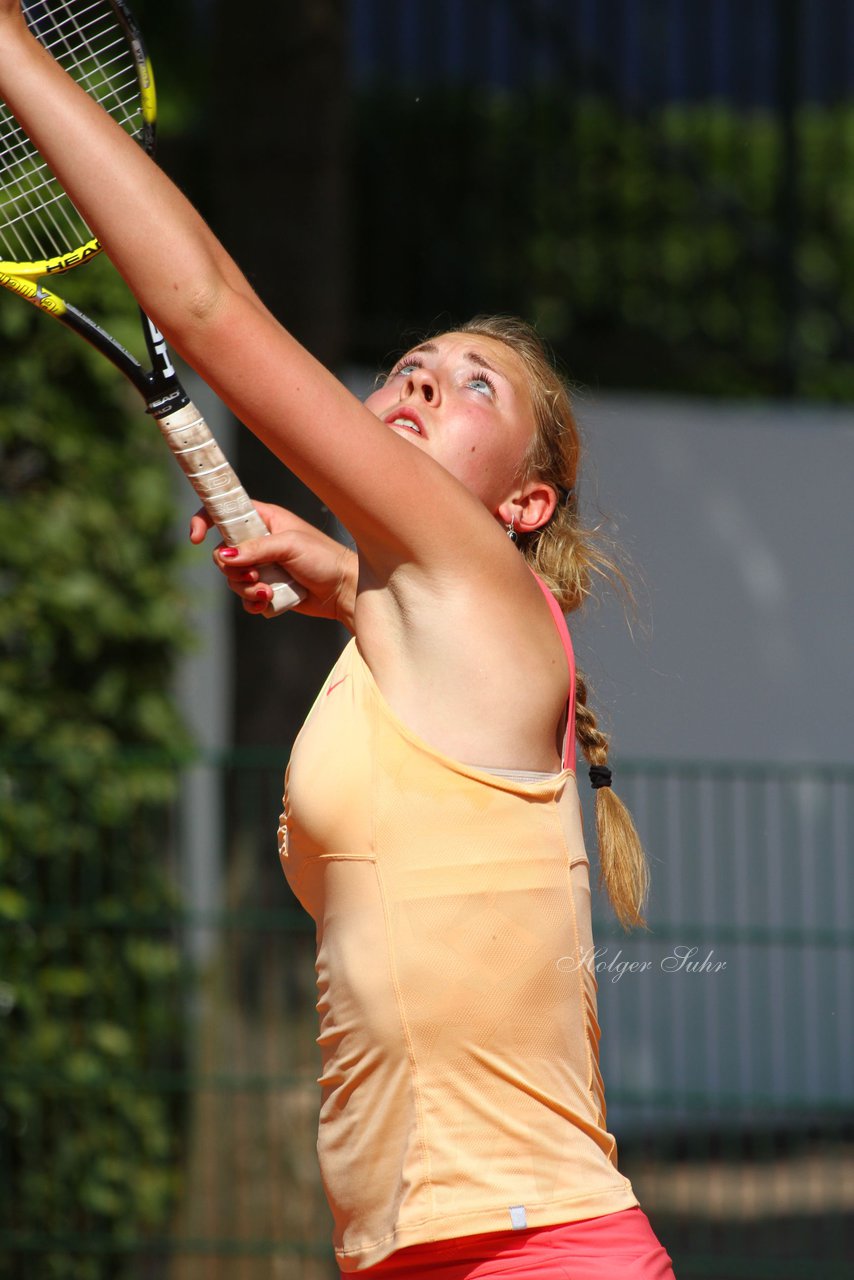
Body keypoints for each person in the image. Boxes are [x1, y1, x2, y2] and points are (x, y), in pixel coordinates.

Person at [0, 7, 674, 1276]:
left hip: (542, 1248)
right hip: (399, 1249)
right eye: (410, 366)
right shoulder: (410, 630)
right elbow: (395, 619)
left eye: (473, 385)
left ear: (521, 506)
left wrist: (9, 50)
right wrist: (330, 575)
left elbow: (205, 308)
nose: (421, 380)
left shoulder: (478, 580)